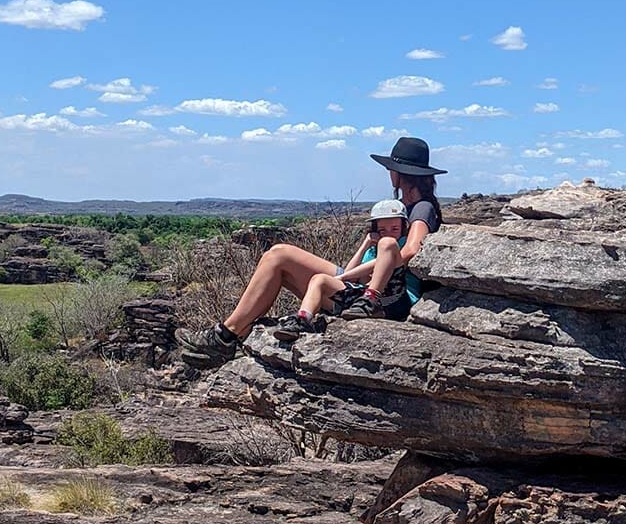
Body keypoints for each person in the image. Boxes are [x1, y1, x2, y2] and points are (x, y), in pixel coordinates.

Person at [176, 136, 446, 369]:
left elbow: (411, 250)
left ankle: (225, 336)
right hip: (364, 283)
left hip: (389, 292)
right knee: (277, 255)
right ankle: (229, 333)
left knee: (280, 256)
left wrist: (359, 272)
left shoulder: (421, 208)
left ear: (398, 173)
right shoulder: (402, 207)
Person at [271, 198, 409, 342]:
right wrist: (365, 245)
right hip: (362, 302)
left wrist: (342, 278)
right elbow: (349, 273)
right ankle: (303, 319)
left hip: (393, 299)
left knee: (387, 243)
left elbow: (377, 263)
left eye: (394, 229)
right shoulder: (372, 249)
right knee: (319, 279)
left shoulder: (398, 244)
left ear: (403, 227)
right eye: (382, 230)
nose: (388, 233)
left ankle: (372, 298)